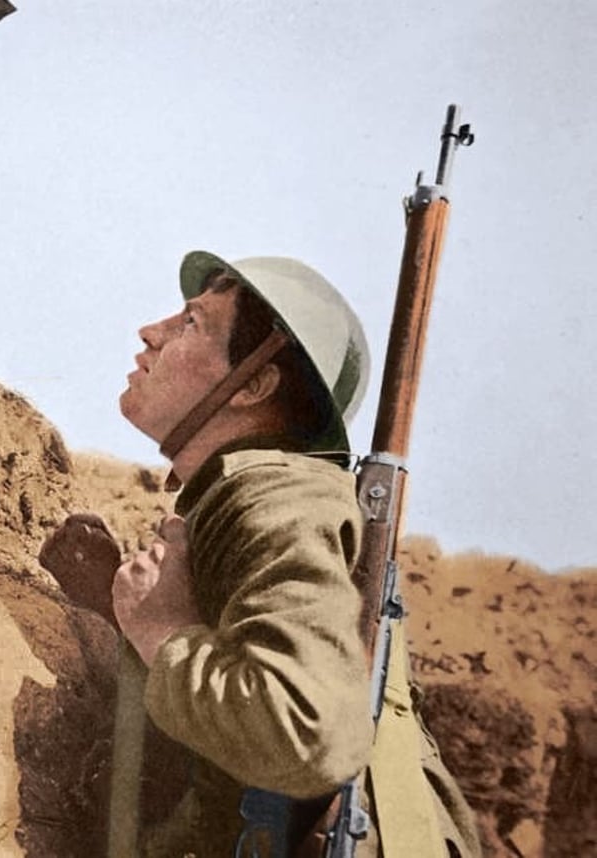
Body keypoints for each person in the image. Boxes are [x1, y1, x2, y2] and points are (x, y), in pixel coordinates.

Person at [40, 251, 480, 857]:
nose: (152, 332)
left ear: (254, 383)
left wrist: (162, 631)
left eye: (192, 323)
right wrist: (123, 612)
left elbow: (306, 730)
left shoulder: (273, 496)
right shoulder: (252, 498)